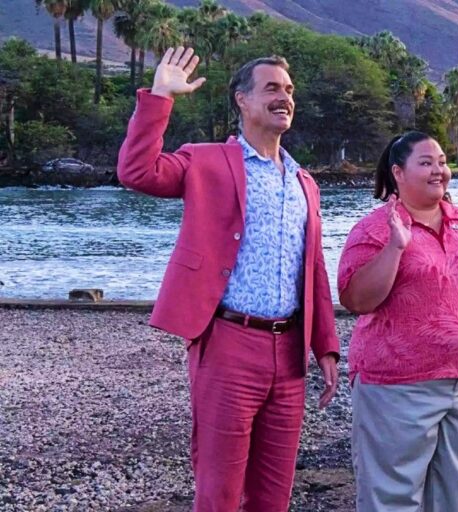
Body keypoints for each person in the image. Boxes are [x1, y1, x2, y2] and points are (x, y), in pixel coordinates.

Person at [116, 47, 340, 511]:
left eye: (289, 90)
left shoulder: (304, 182)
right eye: (272, 88)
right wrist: (160, 96)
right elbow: (138, 171)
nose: (285, 98)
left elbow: (313, 269)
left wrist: (326, 347)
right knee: (218, 490)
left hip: (290, 349)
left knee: (273, 494)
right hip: (228, 341)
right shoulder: (207, 160)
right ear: (242, 100)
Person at [337, 131, 458, 512]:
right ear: (398, 172)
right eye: (426, 163)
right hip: (397, 386)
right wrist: (395, 248)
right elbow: (356, 300)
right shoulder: (374, 229)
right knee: (393, 496)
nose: (439, 170)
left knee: (454, 493)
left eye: (443, 162)